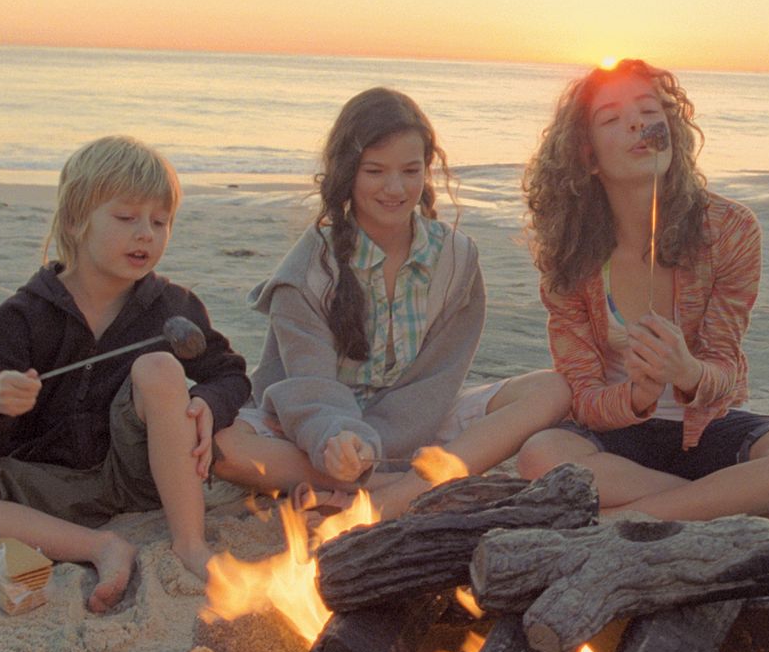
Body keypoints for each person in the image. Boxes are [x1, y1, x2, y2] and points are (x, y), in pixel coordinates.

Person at [0, 136, 251, 612]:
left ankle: (190, 543)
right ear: (74, 221)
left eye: (160, 221)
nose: (146, 234)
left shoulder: (173, 307)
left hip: (139, 474)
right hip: (45, 483)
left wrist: (208, 401)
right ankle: (100, 547)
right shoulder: (23, 315)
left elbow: (231, 374)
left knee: (158, 366)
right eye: (126, 218)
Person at [212, 87, 569, 519]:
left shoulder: (455, 259)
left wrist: (379, 443)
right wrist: (341, 441)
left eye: (410, 170)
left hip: (417, 422)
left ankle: (383, 498)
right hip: (322, 430)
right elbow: (309, 384)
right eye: (375, 171)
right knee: (226, 448)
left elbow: (437, 380)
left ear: (427, 171)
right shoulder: (310, 268)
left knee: (551, 388)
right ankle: (417, 486)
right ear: (347, 172)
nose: (395, 188)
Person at [515, 59, 769, 535]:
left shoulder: (729, 230)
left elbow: (725, 368)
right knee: (540, 456)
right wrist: (637, 395)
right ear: (587, 156)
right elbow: (582, 396)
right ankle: (733, 503)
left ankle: (627, 516)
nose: (638, 124)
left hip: (703, 427)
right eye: (612, 118)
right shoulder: (570, 254)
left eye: (650, 112)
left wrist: (687, 371)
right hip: (615, 438)